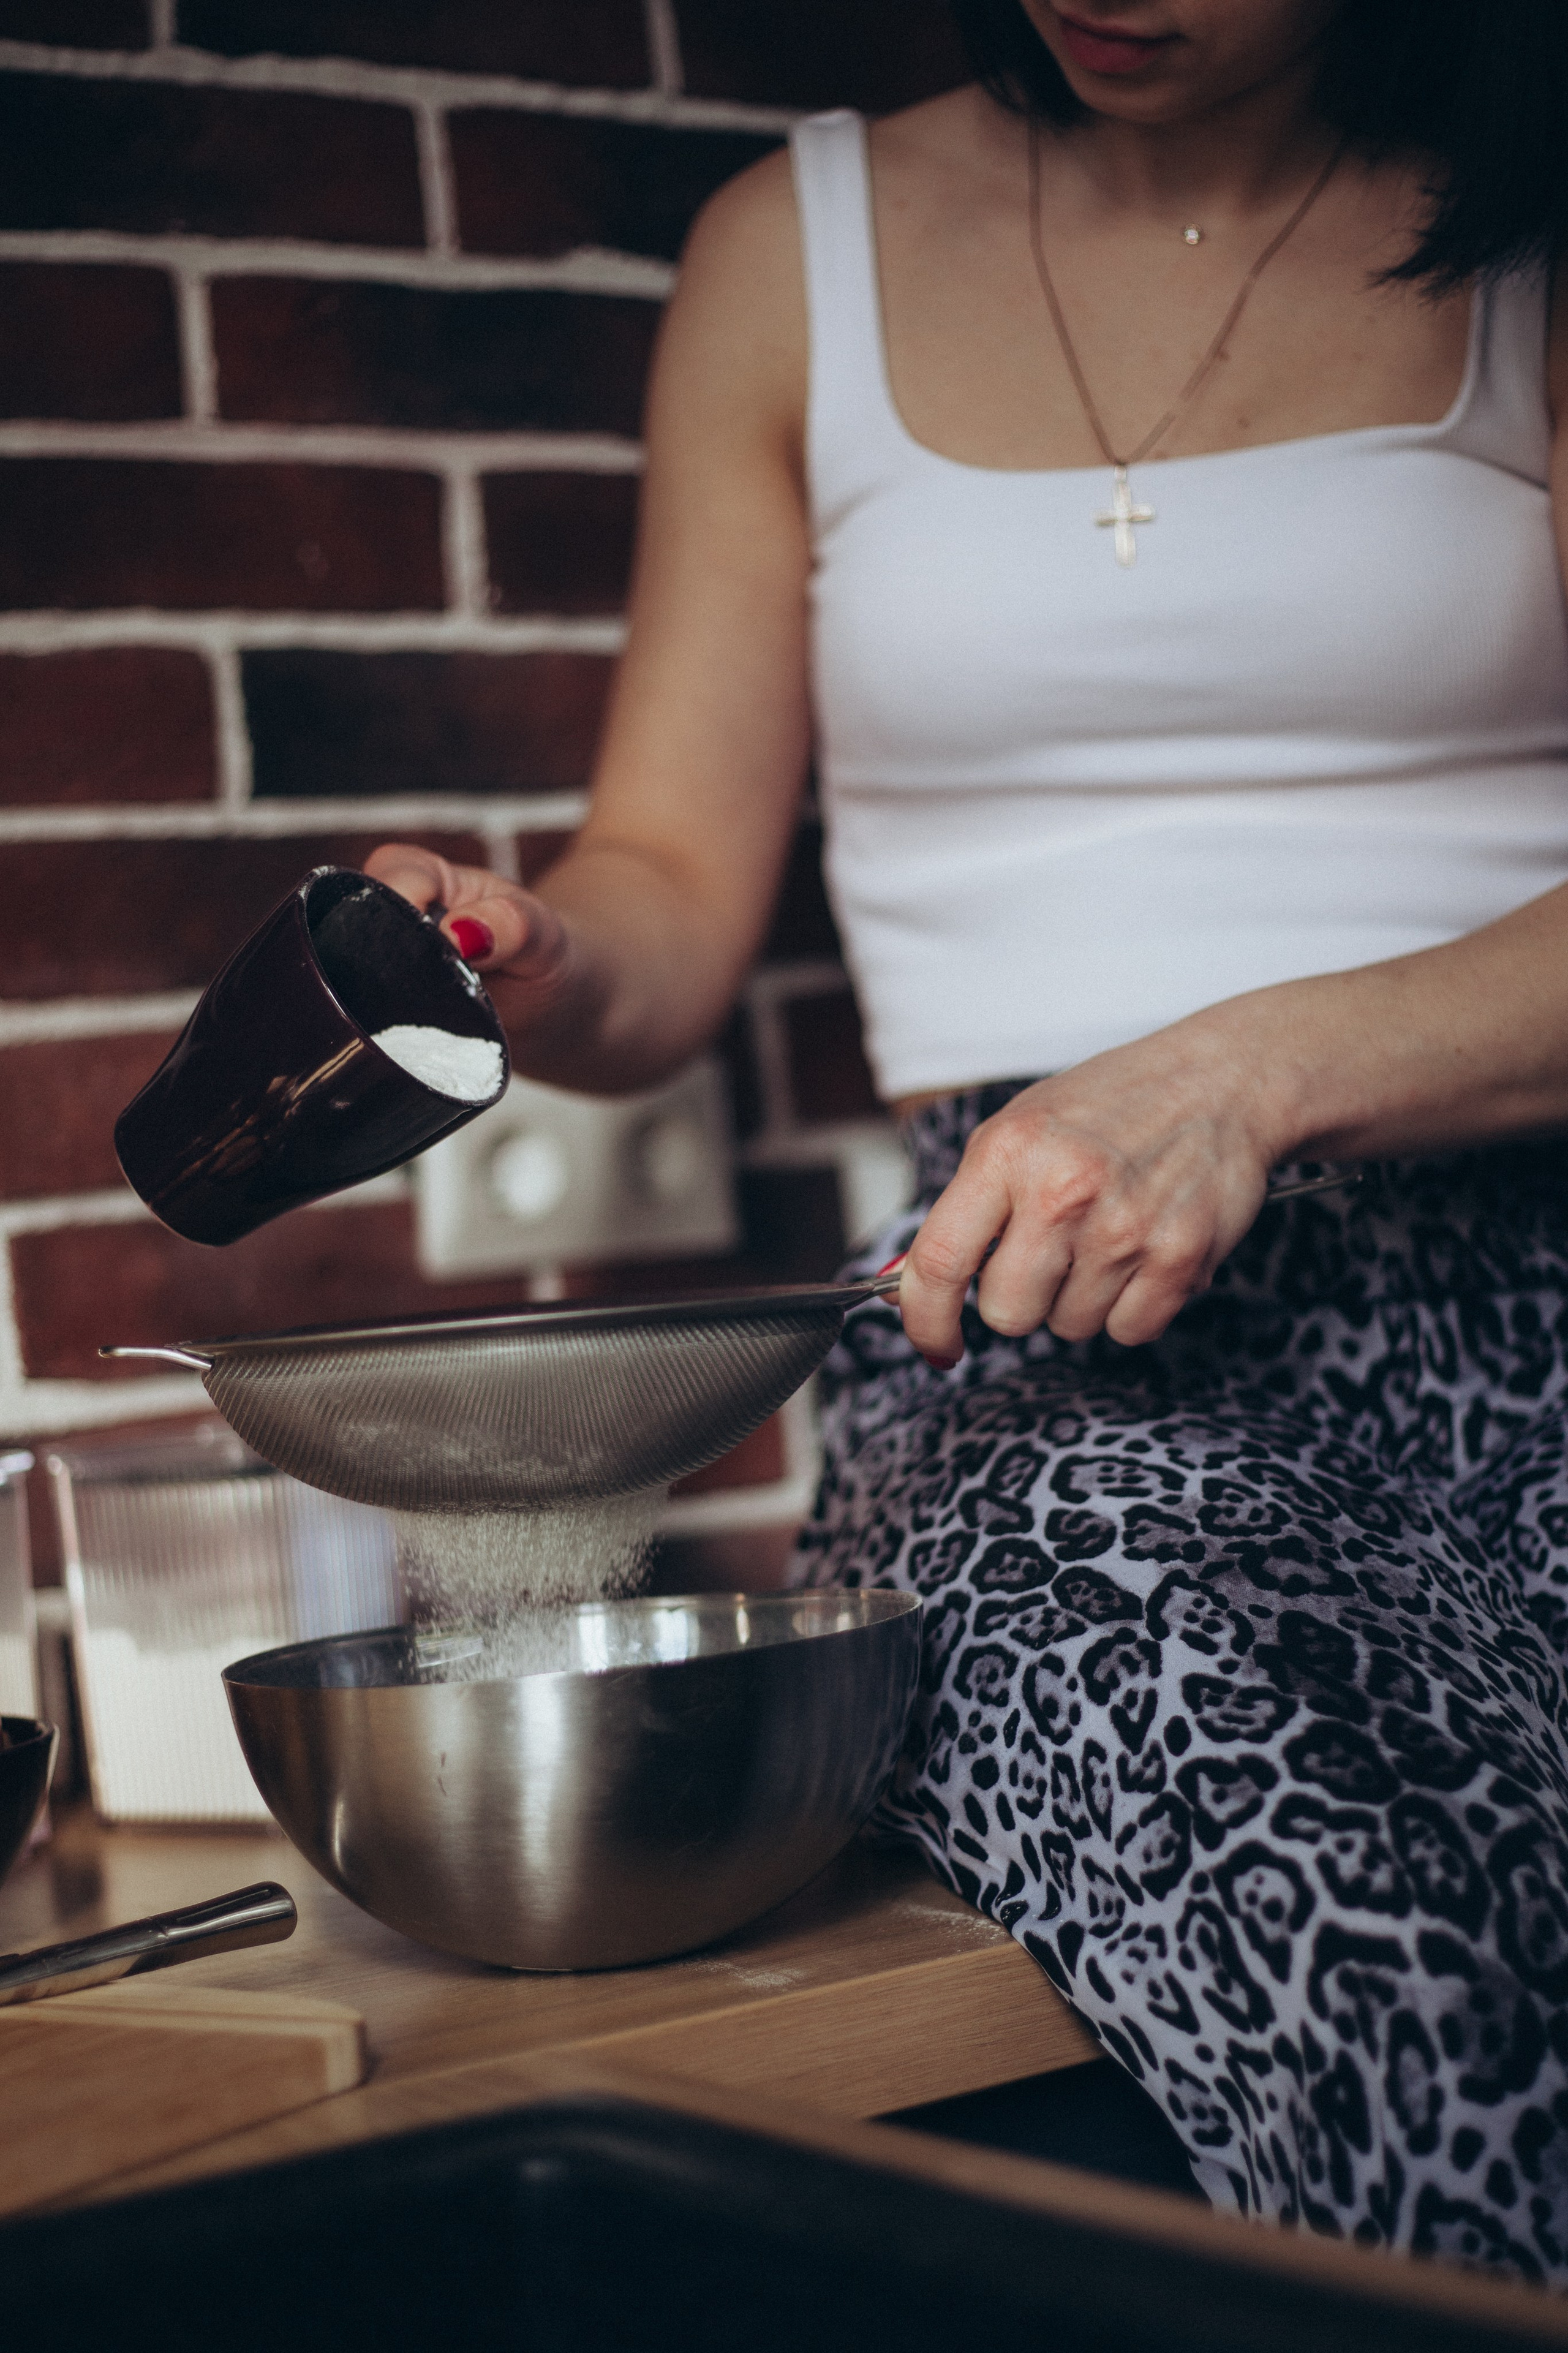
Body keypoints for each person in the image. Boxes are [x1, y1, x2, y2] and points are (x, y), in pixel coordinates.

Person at [368, 0, 1568, 2279]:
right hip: (1024, 1346)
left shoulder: (1531, 221)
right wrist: (531, 954)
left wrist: (1242, 1071)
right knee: (1318, 1842)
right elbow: (667, 898)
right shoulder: (786, 253)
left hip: (1530, 1273)